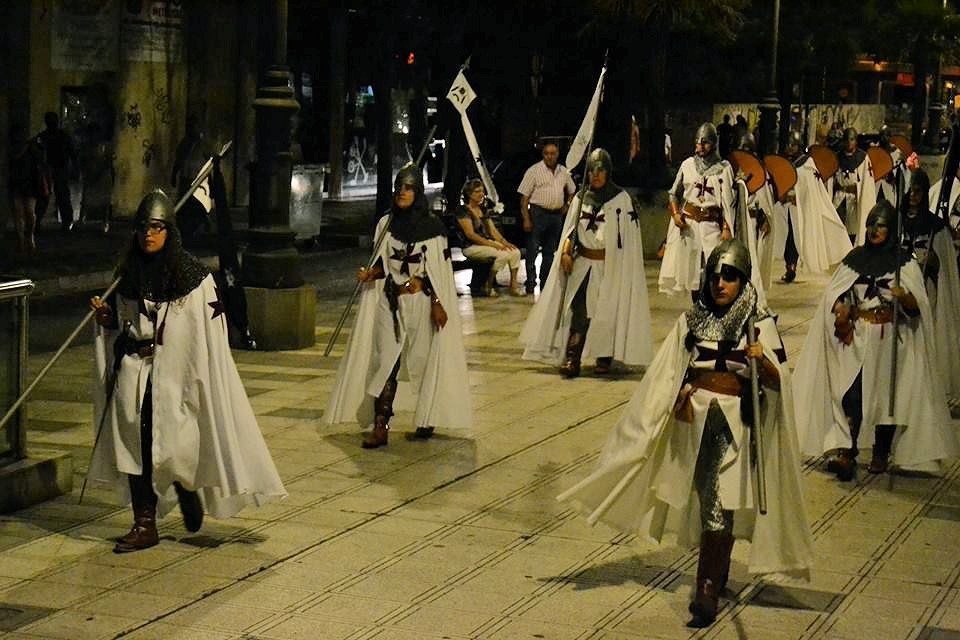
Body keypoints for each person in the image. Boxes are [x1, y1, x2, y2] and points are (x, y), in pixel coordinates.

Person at [558, 240, 812, 629]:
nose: (720, 284)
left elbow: (781, 382)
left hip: (737, 423)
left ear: (743, 281)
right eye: (715, 276)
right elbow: (667, 373)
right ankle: (715, 574)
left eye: (730, 276)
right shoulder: (692, 321)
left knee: (719, 500)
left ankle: (707, 586)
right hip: (695, 422)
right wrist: (666, 406)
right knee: (714, 499)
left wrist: (762, 361)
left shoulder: (758, 324)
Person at [87, 190, 287, 553]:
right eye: (143, 227)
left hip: (175, 373)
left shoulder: (193, 277)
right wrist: (107, 317)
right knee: (135, 441)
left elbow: (204, 331)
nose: (149, 234)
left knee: (175, 440)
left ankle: (185, 485)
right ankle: (144, 522)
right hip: (134, 369)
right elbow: (121, 321)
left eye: (157, 227)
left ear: (170, 230)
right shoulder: (127, 274)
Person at [793, 200, 959, 481]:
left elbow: (917, 308)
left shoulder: (904, 264)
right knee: (851, 393)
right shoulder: (854, 259)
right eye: (871, 224)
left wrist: (904, 297)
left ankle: (881, 451)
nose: (873, 230)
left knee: (886, 398)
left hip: (889, 340)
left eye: (880, 225)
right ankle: (848, 451)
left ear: (891, 229)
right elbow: (836, 293)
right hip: (857, 337)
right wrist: (840, 308)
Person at [322, 163, 471, 448]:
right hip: (390, 303)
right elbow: (382, 264)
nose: (402, 192)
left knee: (423, 361)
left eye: (408, 188)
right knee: (385, 361)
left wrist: (437, 303)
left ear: (417, 192)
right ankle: (381, 425)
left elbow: (438, 273)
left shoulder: (434, 229)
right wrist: (371, 274)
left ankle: (427, 417)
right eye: (399, 187)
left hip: (420, 303)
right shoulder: (386, 224)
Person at [520, 149, 653, 377]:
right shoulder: (581, 199)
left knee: (606, 311)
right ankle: (573, 358)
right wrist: (566, 252)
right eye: (591, 171)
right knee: (579, 310)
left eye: (600, 170)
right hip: (583, 265)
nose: (595, 175)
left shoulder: (621, 200)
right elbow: (571, 231)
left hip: (610, 267)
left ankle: (604, 356)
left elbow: (628, 239)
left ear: (608, 172)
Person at [901, 169, 960, 402]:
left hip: (928, 289)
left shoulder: (936, 228)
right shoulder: (897, 222)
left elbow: (945, 264)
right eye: (910, 191)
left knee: (927, 334)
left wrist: (934, 262)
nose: (913, 196)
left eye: (918, 191)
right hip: (902, 289)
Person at [659, 123, 735, 300]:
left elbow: (728, 203)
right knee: (692, 273)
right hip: (690, 226)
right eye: (698, 143)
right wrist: (676, 214)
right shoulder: (687, 165)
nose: (699, 147)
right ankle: (697, 308)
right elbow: (673, 193)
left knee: (713, 269)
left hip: (711, 227)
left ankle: (710, 307)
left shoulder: (724, 169)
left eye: (704, 143)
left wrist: (726, 227)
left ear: (713, 144)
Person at [778, 130, 851, 282]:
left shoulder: (807, 164)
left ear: (799, 146)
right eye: (788, 145)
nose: (790, 148)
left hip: (804, 208)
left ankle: (804, 262)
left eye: (793, 145)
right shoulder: (786, 163)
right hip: (789, 208)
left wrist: (800, 198)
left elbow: (811, 189)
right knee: (790, 237)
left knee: (803, 235)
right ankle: (790, 267)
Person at [518, 142, 577, 294]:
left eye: (553, 153)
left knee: (550, 251)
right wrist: (526, 218)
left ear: (557, 155)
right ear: (543, 154)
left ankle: (545, 283)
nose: (549, 157)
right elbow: (524, 198)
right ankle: (531, 282)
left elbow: (572, 191)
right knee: (532, 250)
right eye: (546, 153)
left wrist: (567, 205)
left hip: (556, 215)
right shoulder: (534, 171)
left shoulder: (563, 171)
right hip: (538, 213)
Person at [456, 179, 523, 297]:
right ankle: (489, 284)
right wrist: (493, 245)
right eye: (477, 191)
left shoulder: (482, 209)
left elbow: (492, 230)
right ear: (469, 194)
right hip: (471, 246)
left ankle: (513, 285)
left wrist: (505, 243)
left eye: (482, 191)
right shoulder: (463, 210)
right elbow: (471, 235)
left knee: (515, 252)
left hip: (486, 243)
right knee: (502, 254)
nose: (481, 194)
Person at [831, 127, 877, 245]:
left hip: (854, 199)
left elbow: (867, 181)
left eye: (851, 139)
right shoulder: (837, 157)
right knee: (837, 225)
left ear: (856, 141)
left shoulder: (863, 158)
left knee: (853, 229)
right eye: (846, 139)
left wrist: (861, 195)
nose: (849, 142)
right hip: (839, 197)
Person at [171, 115, 210, 246]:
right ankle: (185, 231)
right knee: (184, 205)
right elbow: (178, 160)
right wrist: (174, 175)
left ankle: (200, 227)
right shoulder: (184, 143)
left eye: (194, 126)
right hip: (185, 179)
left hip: (197, 180)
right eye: (189, 127)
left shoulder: (203, 144)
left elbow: (211, 161)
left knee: (196, 205)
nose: (191, 129)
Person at [35, 111, 77, 233]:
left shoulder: (49, 136)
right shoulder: (55, 136)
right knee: (51, 196)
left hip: (57, 168)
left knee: (56, 196)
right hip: (52, 168)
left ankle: (66, 223)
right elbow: (72, 153)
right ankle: (65, 223)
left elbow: (72, 153)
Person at [8, 124, 45, 255]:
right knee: (19, 213)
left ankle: (29, 236)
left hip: (29, 184)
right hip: (17, 183)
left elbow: (40, 159)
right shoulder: (13, 147)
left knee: (29, 213)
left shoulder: (31, 148)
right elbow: (14, 157)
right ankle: (21, 240)